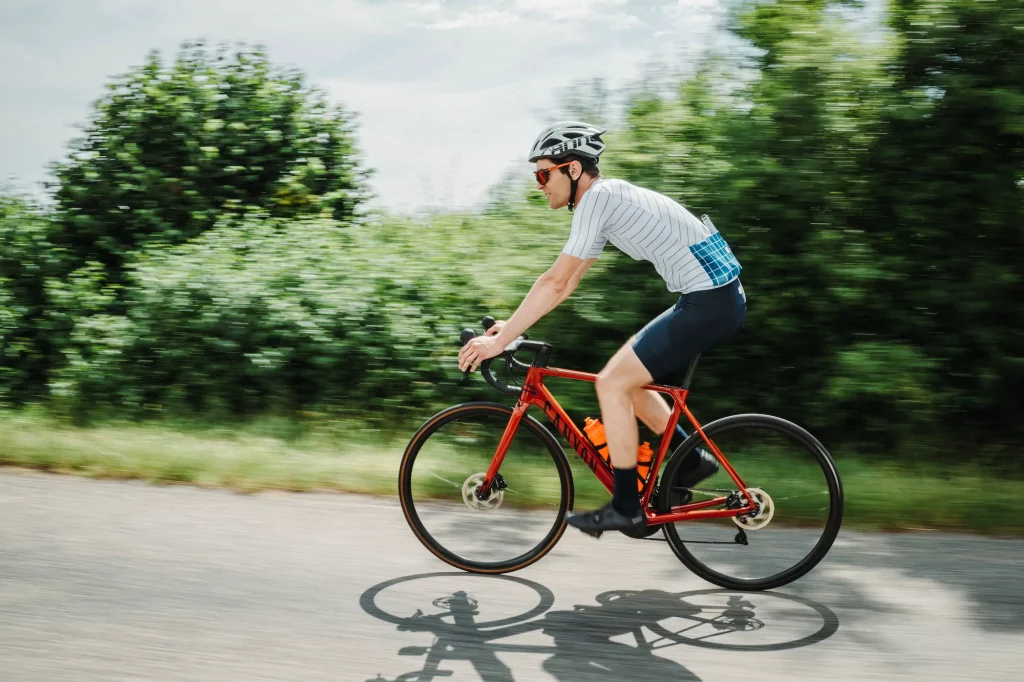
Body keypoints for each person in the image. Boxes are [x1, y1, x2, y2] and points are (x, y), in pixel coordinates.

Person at [458, 121, 746, 536]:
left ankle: (627, 507)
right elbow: (567, 282)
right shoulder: (606, 201)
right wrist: (511, 329)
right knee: (625, 379)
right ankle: (691, 459)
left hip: (710, 301)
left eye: (544, 174)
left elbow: (555, 282)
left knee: (610, 383)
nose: (539, 184)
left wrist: (500, 342)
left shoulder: (599, 200)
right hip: (709, 298)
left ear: (572, 169)